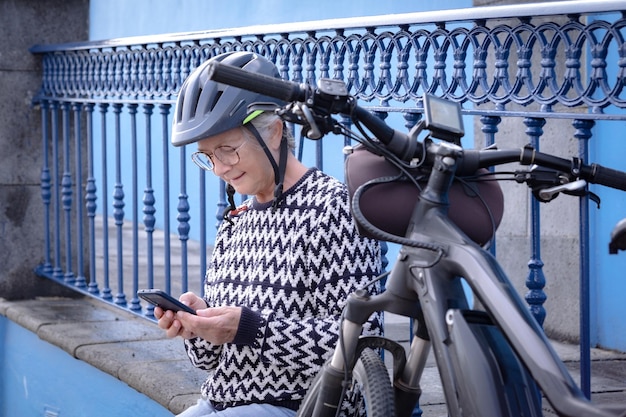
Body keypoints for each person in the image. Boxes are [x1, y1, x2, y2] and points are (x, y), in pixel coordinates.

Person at [155, 51, 383, 417]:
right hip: (219, 403)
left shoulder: (332, 207)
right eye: (208, 156)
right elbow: (212, 362)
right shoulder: (236, 221)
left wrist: (250, 329)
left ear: (274, 132)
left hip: (300, 407)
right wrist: (197, 327)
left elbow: (363, 340)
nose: (219, 169)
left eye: (227, 149)